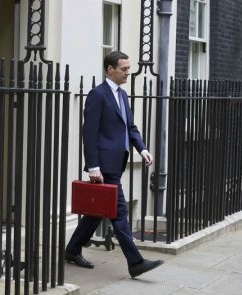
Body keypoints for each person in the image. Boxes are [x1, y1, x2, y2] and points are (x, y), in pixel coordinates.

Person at [65, 51, 164, 277]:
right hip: (104, 166)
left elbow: (130, 127)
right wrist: (93, 166)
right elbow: (89, 133)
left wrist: (143, 149)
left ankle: (72, 250)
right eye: (124, 69)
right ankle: (135, 262)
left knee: (97, 211)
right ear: (110, 69)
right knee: (120, 211)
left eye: (128, 68)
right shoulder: (97, 95)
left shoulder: (122, 95)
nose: (128, 72)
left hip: (116, 162)